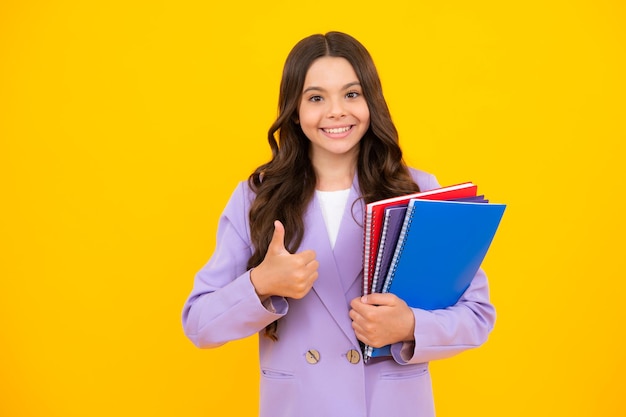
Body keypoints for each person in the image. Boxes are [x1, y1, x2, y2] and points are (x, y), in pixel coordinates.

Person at [181, 31, 495, 417]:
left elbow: (477, 315)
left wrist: (410, 325)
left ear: (371, 102)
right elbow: (199, 324)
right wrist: (261, 284)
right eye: (316, 98)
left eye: (351, 94)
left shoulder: (419, 191)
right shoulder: (256, 198)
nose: (336, 111)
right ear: (294, 110)